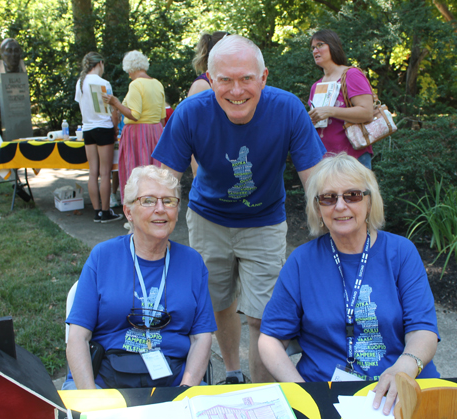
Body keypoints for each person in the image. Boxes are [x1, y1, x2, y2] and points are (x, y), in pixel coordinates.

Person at [152, 35, 326, 384]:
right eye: (226, 80)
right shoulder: (191, 113)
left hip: (264, 221)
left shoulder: (288, 109)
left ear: (263, 78)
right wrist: (151, 225)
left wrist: (333, 228)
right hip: (208, 219)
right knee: (218, 303)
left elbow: (317, 181)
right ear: (210, 79)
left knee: (264, 315)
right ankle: (233, 372)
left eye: (246, 78)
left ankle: (262, 392)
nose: (236, 90)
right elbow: (163, 182)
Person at [259, 153, 439, 415]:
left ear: (369, 201)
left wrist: (404, 368)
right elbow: (271, 338)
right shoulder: (302, 261)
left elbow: (423, 330)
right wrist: (303, 392)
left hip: (401, 389)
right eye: (328, 198)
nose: (340, 206)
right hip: (325, 392)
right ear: (318, 208)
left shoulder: (401, 252)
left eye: (352, 195)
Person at [64, 165, 216, 389]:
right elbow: (77, 337)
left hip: (174, 380)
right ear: (128, 211)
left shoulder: (192, 263)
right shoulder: (102, 257)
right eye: (148, 201)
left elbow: (202, 337)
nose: (160, 209)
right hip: (104, 379)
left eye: (169, 201)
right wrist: (91, 399)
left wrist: (185, 393)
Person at [103, 50, 166, 203]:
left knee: (137, 173)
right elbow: (162, 117)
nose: (128, 75)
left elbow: (134, 114)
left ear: (130, 69)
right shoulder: (157, 84)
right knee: (155, 174)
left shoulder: (136, 84)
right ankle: (155, 205)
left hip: (138, 134)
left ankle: (137, 209)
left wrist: (115, 103)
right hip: (156, 131)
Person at [308, 29, 374, 169]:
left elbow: (367, 112)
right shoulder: (316, 86)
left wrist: (330, 111)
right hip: (325, 161)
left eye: (320, 45)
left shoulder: (351, 74)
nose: (315, 50)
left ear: (333, 46)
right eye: (313, 47)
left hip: (353, 158)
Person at [75, 52, 123, 223]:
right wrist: (116, 127)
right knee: (105, 173)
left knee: (93, 172)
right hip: (103, 128)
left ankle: (96, 212)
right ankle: (106, 211)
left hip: (87, 129)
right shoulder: (103, 83)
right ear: (100, 63)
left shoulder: (80, 83)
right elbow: (113, 111)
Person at [187, 31, 229, 177]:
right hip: (209, 169)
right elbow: (193, 136)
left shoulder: (232, 83)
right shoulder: (202, 86)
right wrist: (198, 173)